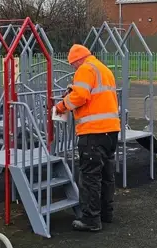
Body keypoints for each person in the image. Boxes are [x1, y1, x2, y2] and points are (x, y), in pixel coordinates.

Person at [55, 44, 120, 232]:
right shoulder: (103, 69)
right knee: (107, 175)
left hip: (93, 132)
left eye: (73, 65)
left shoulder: (85, 69)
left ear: (77, 60)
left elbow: (80, 96)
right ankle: (106, 213)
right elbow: (92, 95)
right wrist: (73, 90)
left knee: (90, 177)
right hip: (111, 130)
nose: (74, 69)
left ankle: (91, 219)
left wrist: (61, 106)